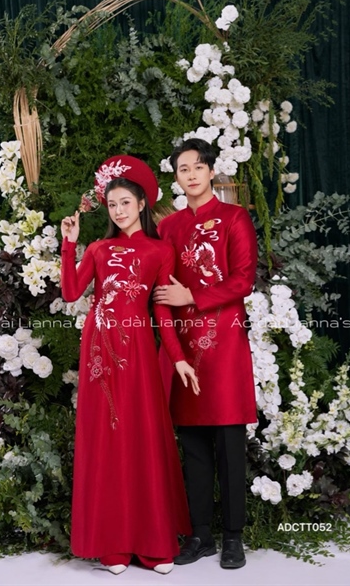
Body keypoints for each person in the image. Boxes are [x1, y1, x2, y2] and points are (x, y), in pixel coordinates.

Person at [60, 155, 198, 575]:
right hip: (99, 351)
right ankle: (114, 544)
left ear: (141, 204)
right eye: (112, 204)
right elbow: (70, 293)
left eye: (125, 202)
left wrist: (178, 359)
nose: (118, 211)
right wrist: (69, 244)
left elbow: (163, 314)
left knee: (142, 437)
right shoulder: (99, 249)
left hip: (137, 350)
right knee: (107, 440)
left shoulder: (160, 250)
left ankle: (152, 544)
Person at [153, 138, 258, 569]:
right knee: (193, 445)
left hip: (225, 345)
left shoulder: (235, 218)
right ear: (176, 178)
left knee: (230, 445)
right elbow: (161, 291)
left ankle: (234, 537)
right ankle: (200, 535)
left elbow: (243, 280)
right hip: (184, 347)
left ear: (211, 171)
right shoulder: (168, 228)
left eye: (198, 167)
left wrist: (192, 296)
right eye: (183, 169)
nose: (192, 174)